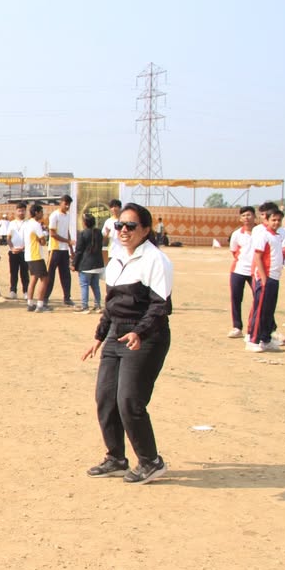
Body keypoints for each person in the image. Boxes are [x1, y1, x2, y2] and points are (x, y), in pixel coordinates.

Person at [82, 203, 172, 485]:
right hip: (116, 334)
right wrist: (99, 335)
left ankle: (150, 461)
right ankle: (116, 458)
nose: (123, 231)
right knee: (105, 397)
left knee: (129, 401)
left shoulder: (155, 260)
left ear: (145, 230)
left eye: (130, 226)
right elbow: (111, 304)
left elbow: (160, 307)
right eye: (120, 225)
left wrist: (139, 333)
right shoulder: (117, 258)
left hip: (146, 337)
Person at [246, 207, 285, 352]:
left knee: (269, 311)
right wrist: (263, 278)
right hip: (266, 277)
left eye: (279, 220)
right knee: (260, 310)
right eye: (273, 220)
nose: (276, 223)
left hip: (275, 277)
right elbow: (258, 257)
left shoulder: (277, 236)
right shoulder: (263, 235)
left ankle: (265, 339)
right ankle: (253, 340)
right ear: (267, 220)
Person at [227, 206, 256, 339]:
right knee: (236, 298)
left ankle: (260, 327)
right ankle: (237, 327)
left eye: (249, 215)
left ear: (254, 216)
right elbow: (234, 251)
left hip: (255, 271)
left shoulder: (260, 232)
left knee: (260, 298)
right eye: (243, 216)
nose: (246, 218)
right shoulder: (237, 234)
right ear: (240, 218)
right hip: (238, 270)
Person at [44, 194, 74, 306]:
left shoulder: (67, 216)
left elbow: (67, 232)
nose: (67, 206)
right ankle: (45, 297)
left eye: (69, 204)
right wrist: (67, 241)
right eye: (65, 204)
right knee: (50, 275)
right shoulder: (54, 215)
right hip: (54, 249)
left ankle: (67, 297)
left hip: (64, 250)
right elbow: (52, 234)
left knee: (66, 275)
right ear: (61, 203)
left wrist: (71, 248)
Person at [73, 213, 105, 314]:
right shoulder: (99, 232)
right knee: (95, 285)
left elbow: (79, 251)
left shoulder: (83, 234)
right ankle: (98, 306)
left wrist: (74, 264)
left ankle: (85, 307)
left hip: (86, 264)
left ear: (85, 223)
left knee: (84, 285)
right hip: (98, 263)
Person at [23, 203, 53, 313]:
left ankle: (30, 303)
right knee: (44, 279)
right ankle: (40, 304)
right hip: (36, 255)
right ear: (36, 213)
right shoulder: (36, 224)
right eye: (41, 212)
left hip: (29, 254)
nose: (42, 215)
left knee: (33, 278)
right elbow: (43, 241)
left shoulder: (27, 223)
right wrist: (42, 238)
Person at [7, 201, 29, 300]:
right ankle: (13, 291)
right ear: (16, 211)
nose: (21, 213)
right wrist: (12, 248)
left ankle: (26, 291)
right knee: (13, 272)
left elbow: (29, 238)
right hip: (13, 252)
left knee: (25, 272)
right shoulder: (11, 223)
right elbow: (8, 238)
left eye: (23, 211)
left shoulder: (28, 223)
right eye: (19, 211)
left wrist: (23, 247)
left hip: (25, 251)